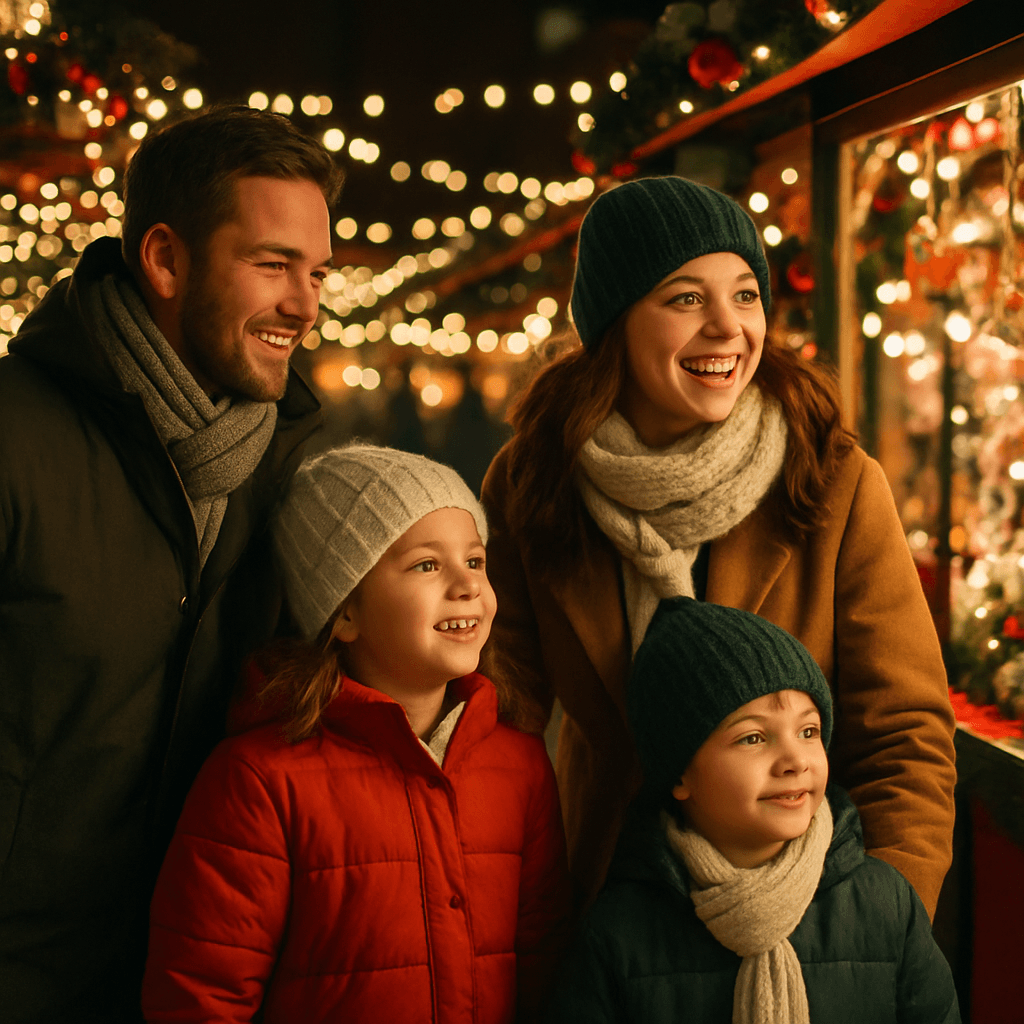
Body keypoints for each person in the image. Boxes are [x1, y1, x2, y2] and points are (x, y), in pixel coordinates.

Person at [481, 175, 956, 918]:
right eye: (684, 298)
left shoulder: (830, 475)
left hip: (807, 904)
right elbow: (495, 716)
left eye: (744, 295)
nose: (728, 328)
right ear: (614, 323)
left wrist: (886, 920)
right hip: (609, 901)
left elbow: (904, 731)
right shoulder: (536, 477)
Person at [0, 105, 341, 1021]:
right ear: (164, 260)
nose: (305, 305)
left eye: (315, 274)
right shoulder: (14, 432)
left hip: (183, 980)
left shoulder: (283, 467)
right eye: (273, 266)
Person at [141, 445, 572, 1023]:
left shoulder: (518, 763)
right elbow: (200, 997)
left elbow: (545, 966)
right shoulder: (260, 781)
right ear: (343, 612)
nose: (468, 586)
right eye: (427, 565)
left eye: (475, 561)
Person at [546, 598, 961, 1024]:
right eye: (753, 738)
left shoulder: (884, 902)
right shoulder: (620, 930)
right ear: (679, 774)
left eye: (808, 731)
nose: (795, 760)